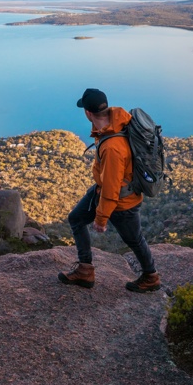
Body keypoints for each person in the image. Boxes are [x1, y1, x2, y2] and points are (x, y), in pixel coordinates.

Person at [58, 88, 161, 292]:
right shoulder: (117, 123)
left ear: (88, 113)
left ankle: (151, 277)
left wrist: (101, 218)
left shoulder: (112, 147)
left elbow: (112, 188)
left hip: (122, 202)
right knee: (76, 219)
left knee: (134, 239)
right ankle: (85, 270)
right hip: (102, 191)